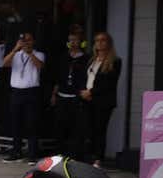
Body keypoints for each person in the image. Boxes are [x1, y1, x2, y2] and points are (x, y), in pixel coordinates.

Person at [1, 31, 45, 161]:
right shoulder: (16, 54)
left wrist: (30, 53)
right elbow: (4, 64)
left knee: (31, 123)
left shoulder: (39, 54)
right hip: (16, 92)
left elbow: (40, 66)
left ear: (33, 41)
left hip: (31, 92)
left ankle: (32, 154)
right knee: (16, 123)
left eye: (29, 40)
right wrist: (15, 49)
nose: (26, 42)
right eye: (24, 40)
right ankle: (16, 151)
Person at [82, 32, 121, 168]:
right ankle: (89, 157)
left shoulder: (115, 61)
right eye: (97, 40)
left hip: (102, 101)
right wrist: (84, 92)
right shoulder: (92, 60)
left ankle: (98, 159)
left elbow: (108, 83)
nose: (99, 43)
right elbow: (86, 78)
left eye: (103, 40)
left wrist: (91, 92)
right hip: (88, 99)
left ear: (108, 43)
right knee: (89, 129)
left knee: (100, 129)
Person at [52, 31, 89, 160]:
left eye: (75, 40)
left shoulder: (86, 58)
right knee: (60, 126)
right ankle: (60, 154)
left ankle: (74, 156)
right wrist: (54, 95)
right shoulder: (63, 57)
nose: (72, 43)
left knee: (75, 128)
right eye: (70, 40)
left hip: (76, 97)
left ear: (81, 42)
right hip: (62, 95)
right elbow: (57, 77)